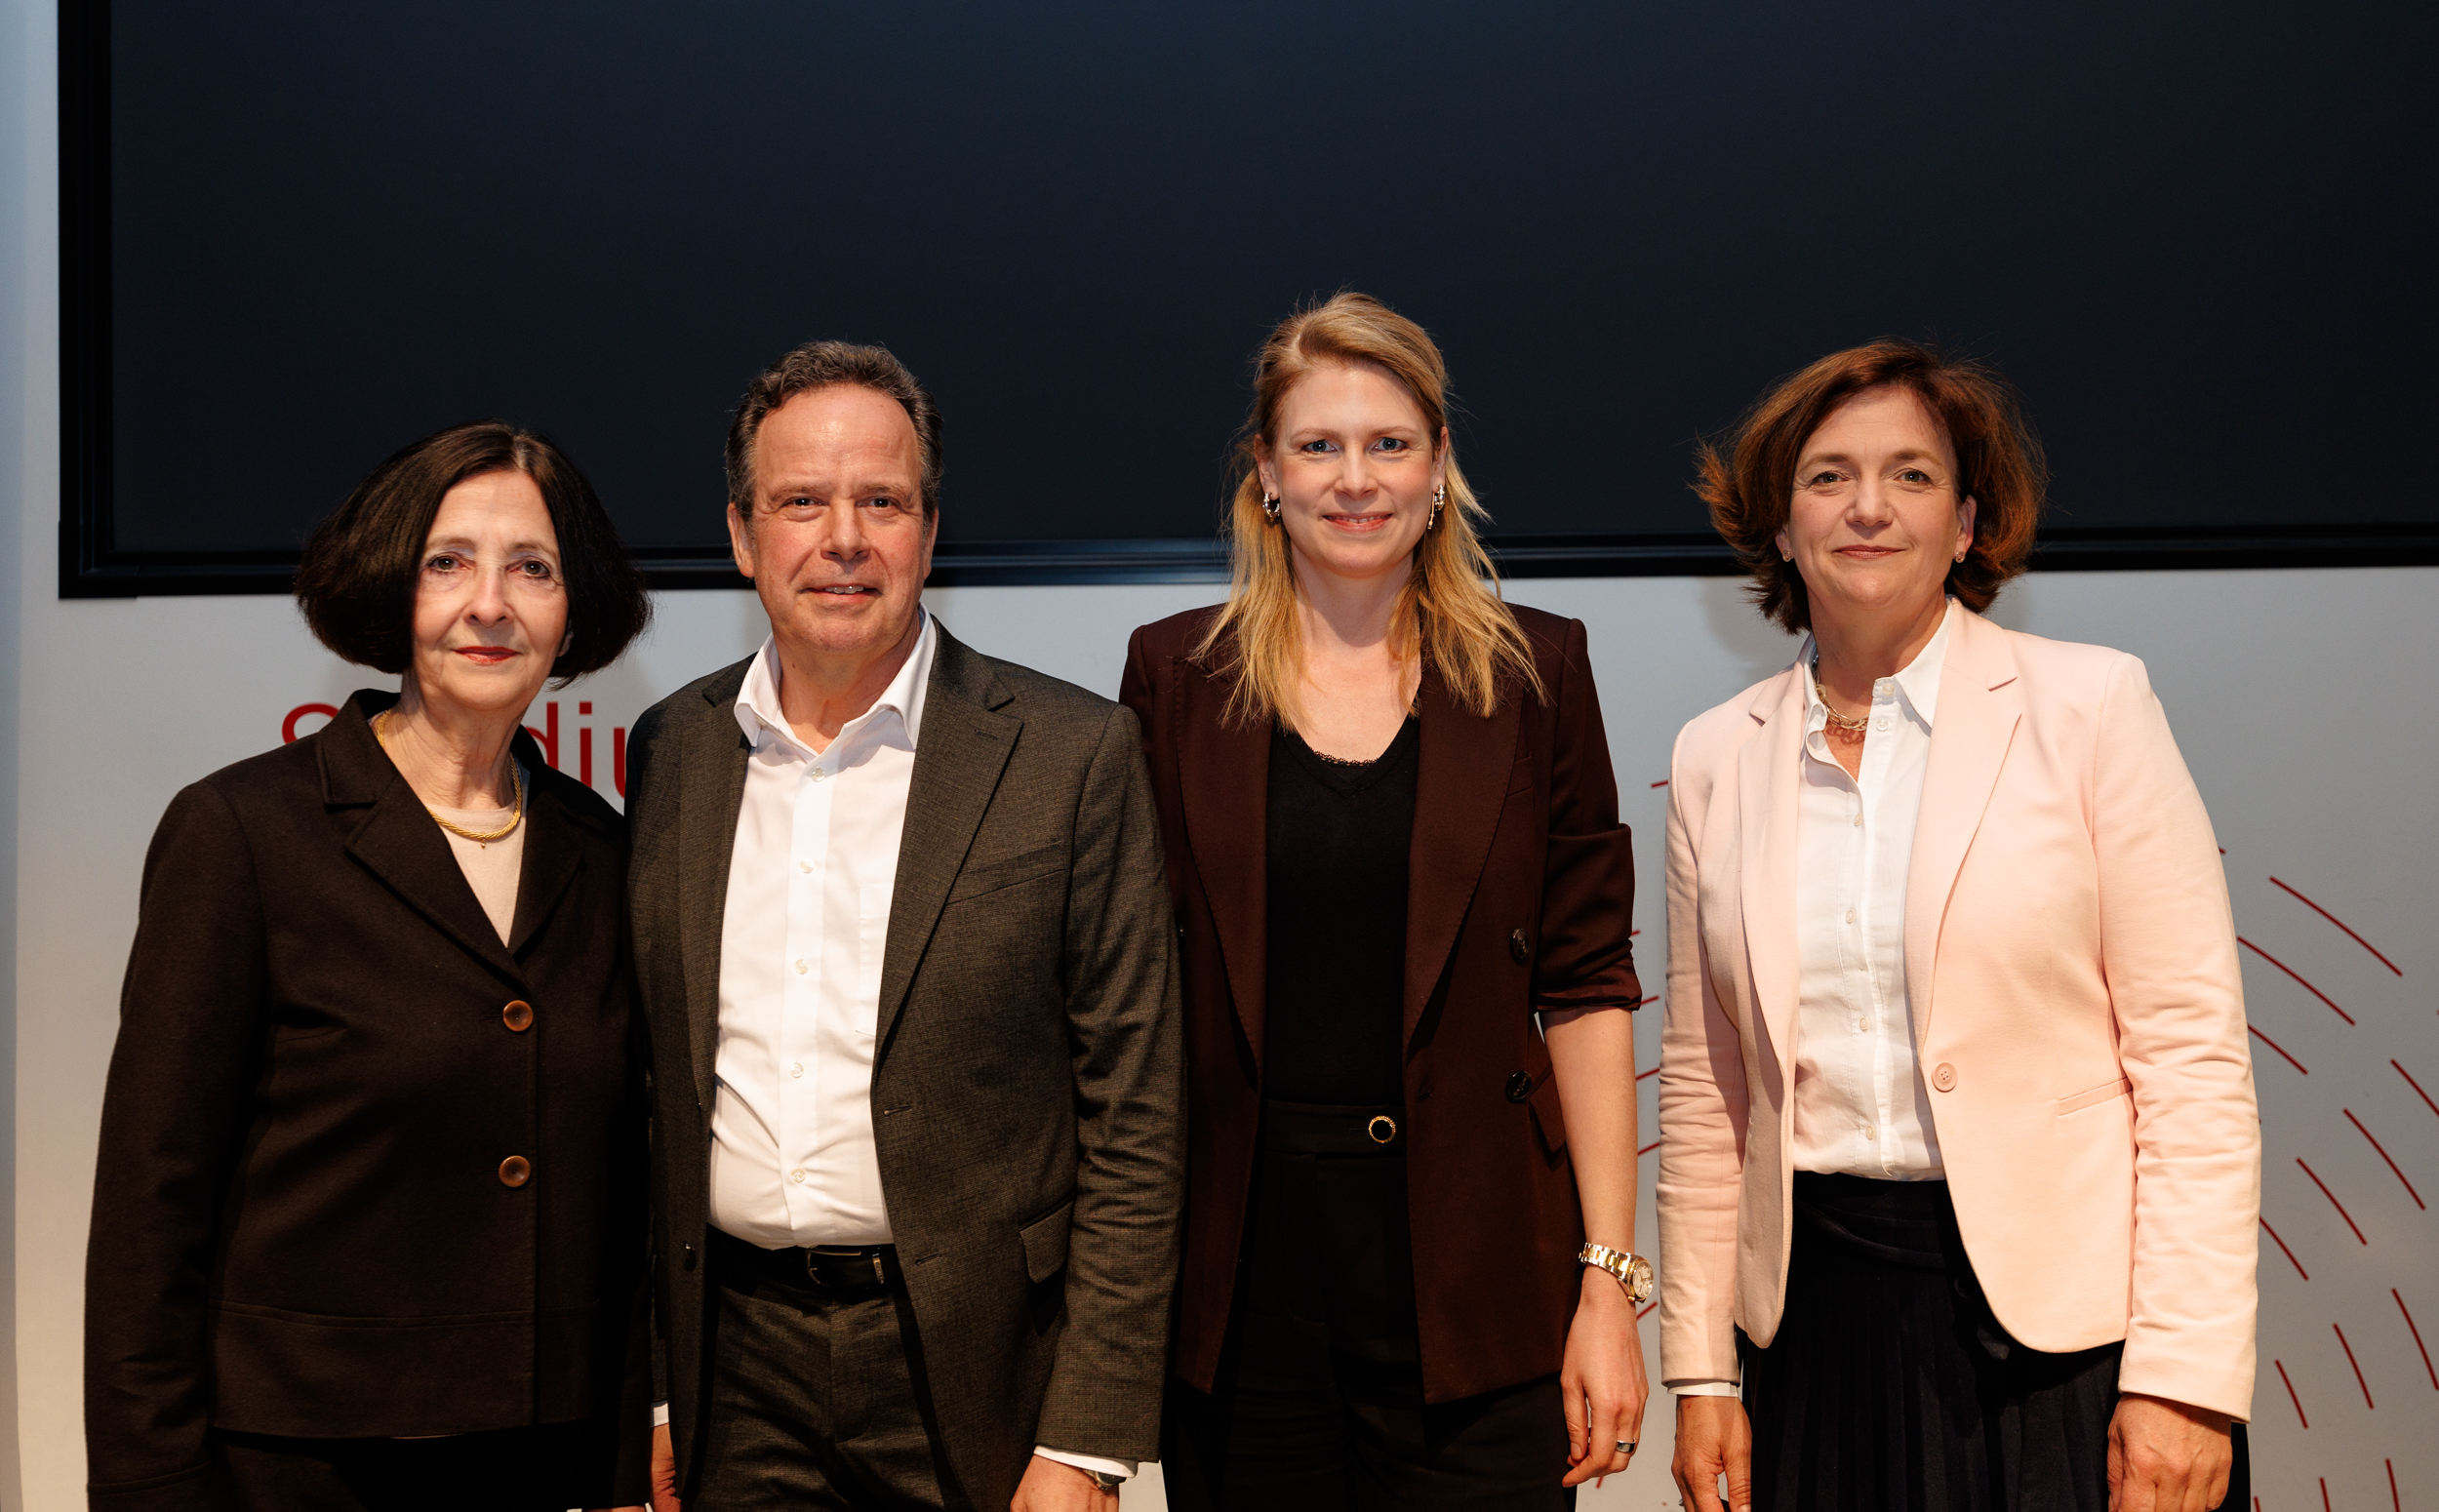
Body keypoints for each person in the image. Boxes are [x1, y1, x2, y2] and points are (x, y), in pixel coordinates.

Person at [1658, 340, 2259, 1512]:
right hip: (1812, 1335)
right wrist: (1699, 1368)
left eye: (1911, 475)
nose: (1867, 506)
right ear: (1779, 526)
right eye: (1827, 476)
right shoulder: (1714, 752)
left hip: (2069, 1344)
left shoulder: (2091, 705)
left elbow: (2190, 1059)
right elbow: (1704, 1088)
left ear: (1969, 520)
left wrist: (2185, 1375)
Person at [626, 340, 1183, 1512]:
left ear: (930, 531)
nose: (843, 538)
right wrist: (653, 1387)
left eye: (881, 500)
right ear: (741, 535)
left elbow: (1136, 1116)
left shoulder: (1068, 753)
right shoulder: (672, 750)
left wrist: (1087, 1438)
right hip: (733, 1367)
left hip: (982, 1378)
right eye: (800, 502)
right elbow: (647, 1096)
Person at [1120, 293, 1648, 1510]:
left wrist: (1608, 1282)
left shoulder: (1539, 670)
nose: (1353, 480)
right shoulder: (1173, 675)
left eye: (1388, 444)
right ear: (1264, 473)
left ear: (1439, 468)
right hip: (1241, 1288)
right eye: (1317, 446)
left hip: (1476, 1284)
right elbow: (1130, 999)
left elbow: (1583, 985)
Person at [85, 421, 657, 1510]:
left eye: (531, 567)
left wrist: (621, 1460)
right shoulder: (242, 834)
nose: (489, 603)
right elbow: (150, 1215)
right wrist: (148, 1483)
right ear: (395, 584)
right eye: (449, 561)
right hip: (296, 1465)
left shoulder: (603, 845)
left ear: (572, 607)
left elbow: (620, 1197)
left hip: (542, 1463)